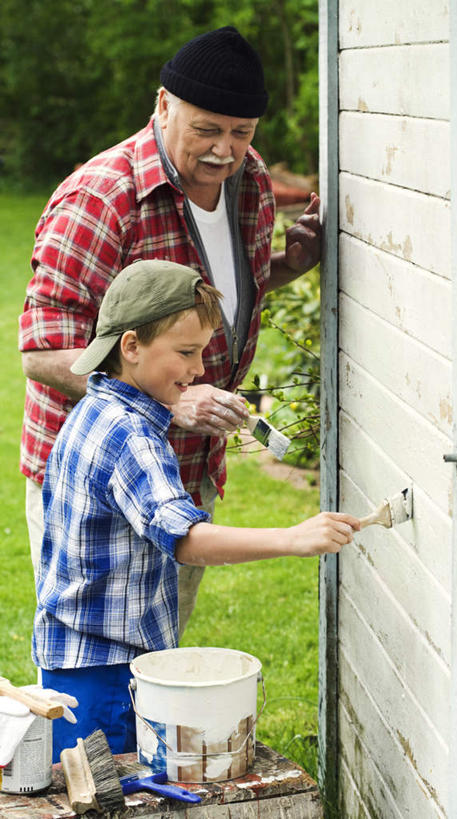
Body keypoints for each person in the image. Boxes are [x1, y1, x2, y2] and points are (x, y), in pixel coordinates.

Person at [19, 25, 321, 634]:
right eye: (206, 129)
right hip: (94, 483)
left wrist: (283, 267)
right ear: (163, 105)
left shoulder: (250, 180)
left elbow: (210, 302)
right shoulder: (102, 200)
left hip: (186, 467)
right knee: (93, 656)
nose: (224, 150)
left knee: (163, 650)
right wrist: (175, 399)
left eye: (241, 132)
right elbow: (45, 353)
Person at [33, 259, 359, 761]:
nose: (200, 369)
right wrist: (294, 538)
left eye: (202, 351)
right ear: (132, 346)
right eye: (186, 352)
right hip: (107, 673)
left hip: (72, 659)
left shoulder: (94, 408)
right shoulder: (132, 437)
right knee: (111, 798)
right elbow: (186, 540)